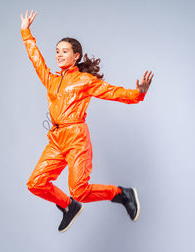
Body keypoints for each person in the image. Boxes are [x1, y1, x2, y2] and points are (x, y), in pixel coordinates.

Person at [20, 10, 154, 233]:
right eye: (57, 51)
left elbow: (111, 92)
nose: (59, 55)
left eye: (65, 51)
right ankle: (68, 206)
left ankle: (121, 194)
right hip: (56, 139)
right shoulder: (52, 81)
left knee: (80, 190)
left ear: (76, 56)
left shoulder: (84, 80)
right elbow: (37, 62)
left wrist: (137, 93)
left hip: (76, 138)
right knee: (36, 184)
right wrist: (26, 32)